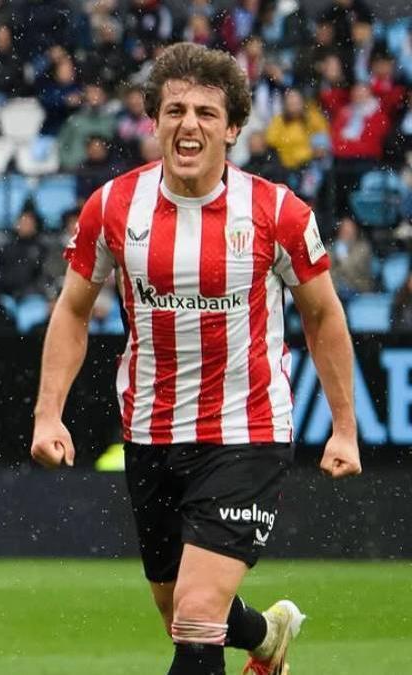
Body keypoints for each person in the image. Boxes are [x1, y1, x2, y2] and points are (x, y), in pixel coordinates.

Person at [29, 43, 361, 675]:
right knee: (177, 609)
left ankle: (244, 633)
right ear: (153, 120)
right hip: (152, 432)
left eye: (207, 113)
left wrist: (344, 427)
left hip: (247, 429)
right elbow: (73, 310)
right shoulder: (112, 208)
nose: (189, 125)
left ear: (233, 127)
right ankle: (267, 637)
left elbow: (323, 315)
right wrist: (49, 415)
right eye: (175, 110)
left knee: (199, 612)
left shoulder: (277, 212)